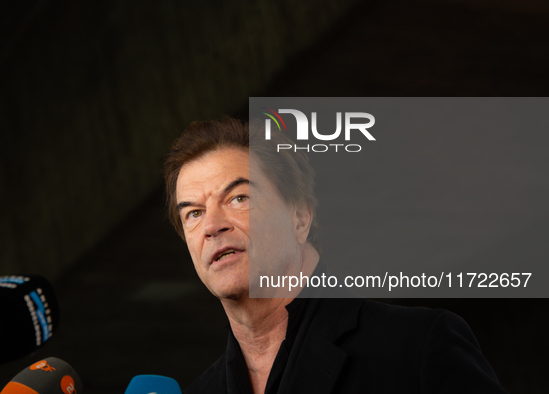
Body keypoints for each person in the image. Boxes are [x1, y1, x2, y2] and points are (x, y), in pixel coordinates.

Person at [163, 117, 507, 393]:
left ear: (300, 217)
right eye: (192, 213)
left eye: (239, 198)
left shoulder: (416, 346)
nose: (211, 225)